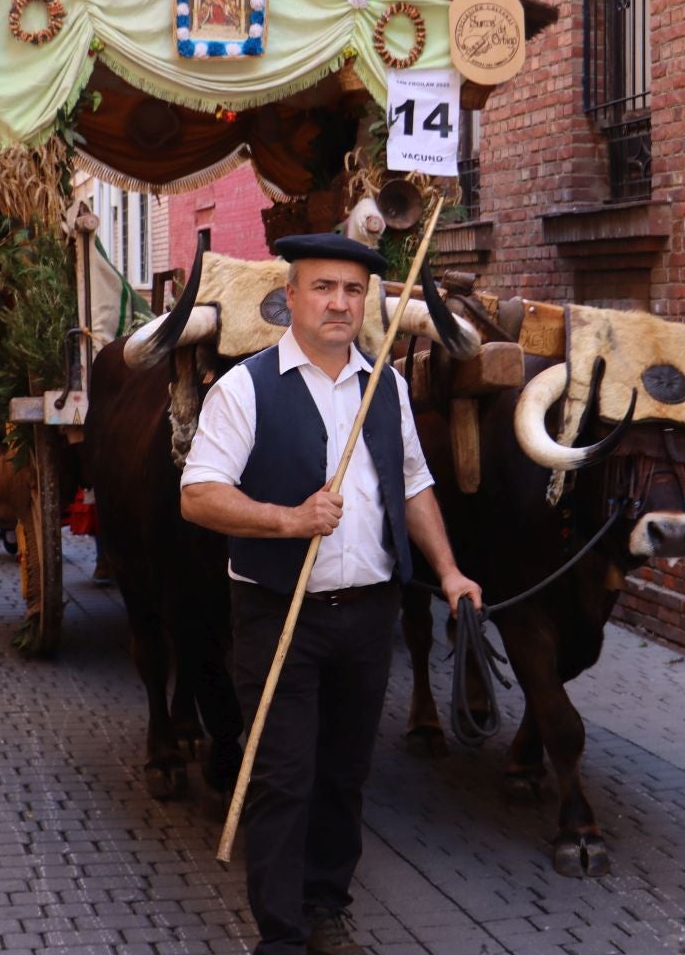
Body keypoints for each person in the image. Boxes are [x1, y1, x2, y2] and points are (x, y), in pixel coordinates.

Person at [180, 233, 482, 955]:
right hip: (278, 611)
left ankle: (324, 909)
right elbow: (198, 496)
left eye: (353, 290)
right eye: (324, 287)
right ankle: (281, 937)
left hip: (369, 614)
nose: (340, 302)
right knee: (284, 778)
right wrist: (288, 519)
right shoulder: (244, 388)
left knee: (345, 775)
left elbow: (412, 485)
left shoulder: (388, 387)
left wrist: (448, 572)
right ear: (291, 298)